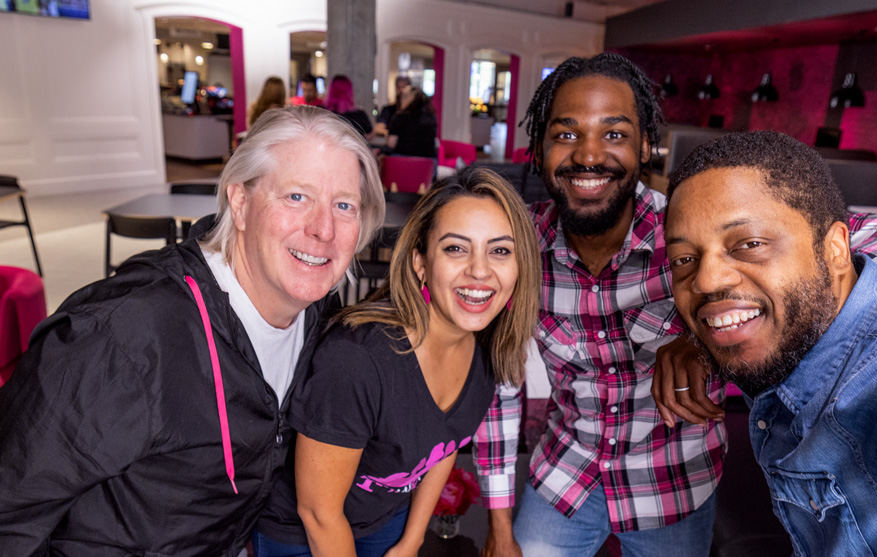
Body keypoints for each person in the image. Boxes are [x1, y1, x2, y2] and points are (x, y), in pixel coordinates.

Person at [471, 52, 877, 557]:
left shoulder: (699, 227)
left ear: (645, 145)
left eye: (613, 133)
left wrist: (703, 336)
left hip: (674, 486)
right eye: (565, 134)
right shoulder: (515, 249)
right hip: (562, 476)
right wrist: (497, 522)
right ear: (539, 148)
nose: (587, 154)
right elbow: (501, 384)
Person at [0, 106, 386, 556]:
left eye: (344, 205)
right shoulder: (123, 338)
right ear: (240, 203)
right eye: (296, 197)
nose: (324, 229)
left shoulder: (318, 315)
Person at [664, 130, 877, 556]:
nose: (707, 280)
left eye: (749, 244)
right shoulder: (794, 321)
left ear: (838, 248)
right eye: (684, 260)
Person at [252, 167, 542, 556]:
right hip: (302, 533)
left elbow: (444, 446)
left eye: (500, 250)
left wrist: (411, 541)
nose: (479, 270)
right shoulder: (356, 361)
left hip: (385, 519)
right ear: (421, 263)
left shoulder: (488, 351)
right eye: (456, 248)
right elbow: (319, 512)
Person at [386, 87, 438, 159]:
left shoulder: (400, 117)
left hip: (402, 162)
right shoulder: (431, 117)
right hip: (427, 164)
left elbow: (391, 143)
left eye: (403, 96)